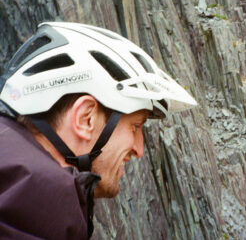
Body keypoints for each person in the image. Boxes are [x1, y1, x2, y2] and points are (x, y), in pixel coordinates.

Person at [0, 22, 197, 239]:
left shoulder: (13, 183)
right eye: (135, 127)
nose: (139, 150)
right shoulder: (46, 204)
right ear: (86, 118)